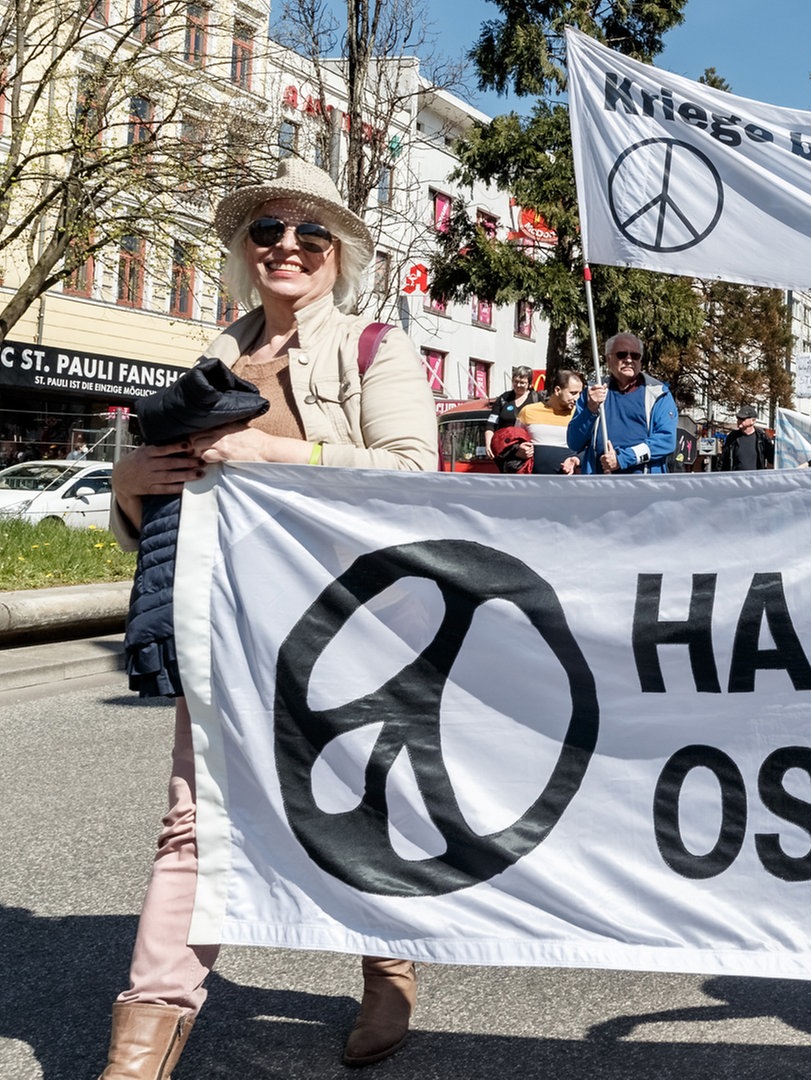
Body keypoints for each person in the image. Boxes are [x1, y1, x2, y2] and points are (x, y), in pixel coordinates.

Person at [102, 157, 437, 1077]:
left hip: (355, 622)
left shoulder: (375, 347)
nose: (286, 247)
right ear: (247, 250)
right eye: (267, 232)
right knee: (194, 818)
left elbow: (417, 475)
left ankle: (388, 971)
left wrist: (275, 449)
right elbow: (163, 512)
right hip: (227, 620)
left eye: (309, 234)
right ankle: (143, 1041)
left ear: (339, 255)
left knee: (365, 803)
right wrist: (129, 482)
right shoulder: (211, 358)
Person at [570, 334, 678, 474]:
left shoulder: (658, 394)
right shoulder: (593, 392)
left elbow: (666, 440)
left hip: (644, 486)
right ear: (609, 360)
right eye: (621, 355)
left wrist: (623, 459)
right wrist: (590, 410)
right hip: (600, 483)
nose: (628, 360)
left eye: (635, 355)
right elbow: (574, 442)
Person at [517, 368, 585, 474]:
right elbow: (514, 442)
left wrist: (575, 460)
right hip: (531, 482)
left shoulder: (581, 415)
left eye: (580, 394)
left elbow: (591, 448)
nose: (577, 398)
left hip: (567, 483)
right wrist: (518, 450)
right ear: (557, 390)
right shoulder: (528, 411)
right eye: (573, 393)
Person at [487, 365, 542, 436]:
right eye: (516, 381)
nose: (518, 385)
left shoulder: (536, 400)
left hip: (529, 444)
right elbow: (491, 424)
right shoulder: (503, 398)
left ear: (530, 384)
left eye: (522, 383)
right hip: (505, 444)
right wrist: (488, 446)